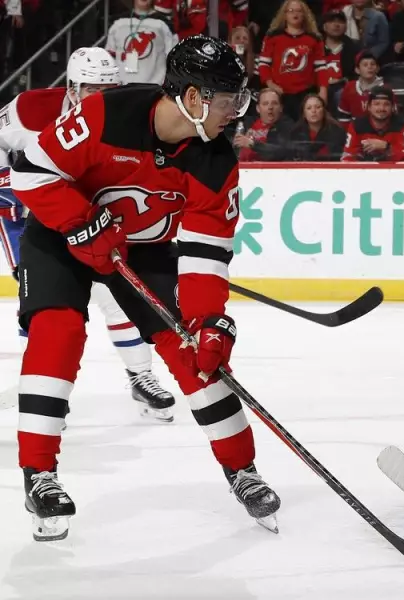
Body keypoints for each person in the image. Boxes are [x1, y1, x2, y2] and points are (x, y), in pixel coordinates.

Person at [10, 35, 280, 542]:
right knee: (58, 332)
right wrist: (79, 222)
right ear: (195, 98)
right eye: (227, 101)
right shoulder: (104, 114)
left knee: (195, 351)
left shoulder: (216, 161)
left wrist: (207, 322)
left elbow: (205, 255)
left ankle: (242, 470)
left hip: (139, 246)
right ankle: (39, 475)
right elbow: (29, 174)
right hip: (60, 235)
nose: (235, 113)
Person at [0, 47, 176, 423]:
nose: (104, 98)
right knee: (43, 306)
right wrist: (7, 183)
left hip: (94, 216)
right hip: (37, 220)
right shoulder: (30, 109)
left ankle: (141, 375)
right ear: (73, 88)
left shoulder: (124, 115)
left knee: (118, 294)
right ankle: (41, 387)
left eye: (110, 89)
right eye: (95, 90)